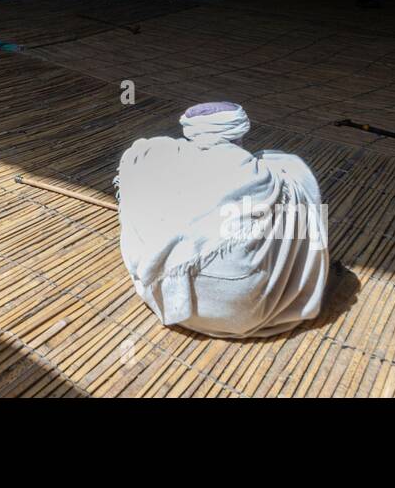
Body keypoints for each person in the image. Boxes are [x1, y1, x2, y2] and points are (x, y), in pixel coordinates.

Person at [115, 102, 329, 338]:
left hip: (169, 303)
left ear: (191, 130)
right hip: (249, 310)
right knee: (296, 185)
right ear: (239, 131)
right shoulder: (276, 176)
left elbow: (135, 161)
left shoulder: (157, 158)